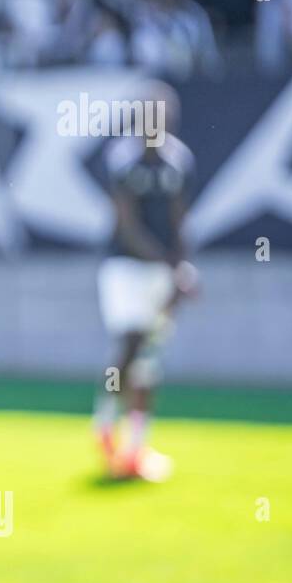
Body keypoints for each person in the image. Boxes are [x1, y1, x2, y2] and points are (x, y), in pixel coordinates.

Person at [93, 84, 199, 481]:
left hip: (162, 269)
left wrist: (183, 268)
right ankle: (104, 423)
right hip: (124, 267)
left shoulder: (178, 160)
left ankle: (136, 446)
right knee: (131, 343)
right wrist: (173, 266)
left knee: (149, 359)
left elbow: (179, 219)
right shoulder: (122, 159)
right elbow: (128, 226)